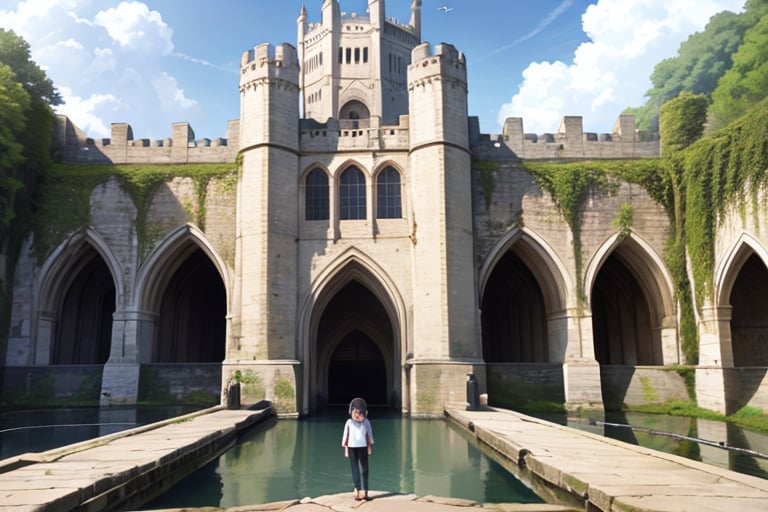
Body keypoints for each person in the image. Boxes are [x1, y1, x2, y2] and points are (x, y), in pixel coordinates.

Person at [341, 397, 374, 500]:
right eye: (355, 412)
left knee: (364, 469)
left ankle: (365, 491)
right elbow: (345, 436)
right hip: (352, 447)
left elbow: (368, 436)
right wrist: (346, 449)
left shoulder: (366, 422)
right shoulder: (349, 423)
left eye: (359, 413)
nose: (357, 415)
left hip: (363, 447)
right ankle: (357, 489)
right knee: (355, 469)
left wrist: (369, 447)